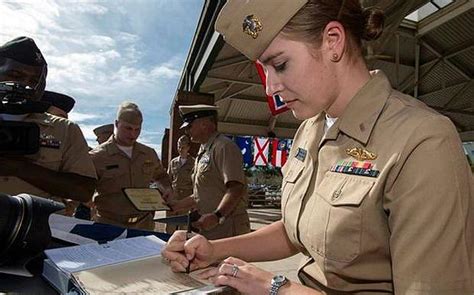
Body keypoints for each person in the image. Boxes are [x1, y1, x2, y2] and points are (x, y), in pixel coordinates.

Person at [162, 1, 474, 294]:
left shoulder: (422, 141)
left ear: (333, 41)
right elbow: (295, 231)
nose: (270, 87)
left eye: (280, 65)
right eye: (265, 70)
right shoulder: (309, 131)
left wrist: (277, 287)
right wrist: (214, 249)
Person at [0, 36, 96, 205]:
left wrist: (18, 168)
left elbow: (83, 190)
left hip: (35, 227)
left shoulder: (65, 130)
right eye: (15, 75)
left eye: (34, 81)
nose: (24, 85)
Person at [169, 104, 250, 239]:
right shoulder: (203, 151)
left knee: (226, 261)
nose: (187, 132)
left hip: (228, 227)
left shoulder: (223, 147)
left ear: (204, 124)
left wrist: (217, 215)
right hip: (210, 227)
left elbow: (236, 188)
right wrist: (176, 206)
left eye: (189, 126)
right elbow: (200, 195)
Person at [89, 101, 172, 230]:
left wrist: (166, 188)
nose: (133, 134)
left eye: (137, 129)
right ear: (116, 124)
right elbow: (82, 187)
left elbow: (161, 176)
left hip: (143, 224)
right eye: (128, 128)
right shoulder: (98, 156)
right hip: (109, 224)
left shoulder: (148, 154)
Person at [165, 134, 195, 234]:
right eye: (179, 146)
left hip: (185, 199)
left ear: (188, 147)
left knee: (183, 228)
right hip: (173, 198)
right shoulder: (173, 162)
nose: (180, 149)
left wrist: (194, 203)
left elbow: (196, 184)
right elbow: (168, 180)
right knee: (170, 227)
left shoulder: (194, 163)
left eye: (183, 147)